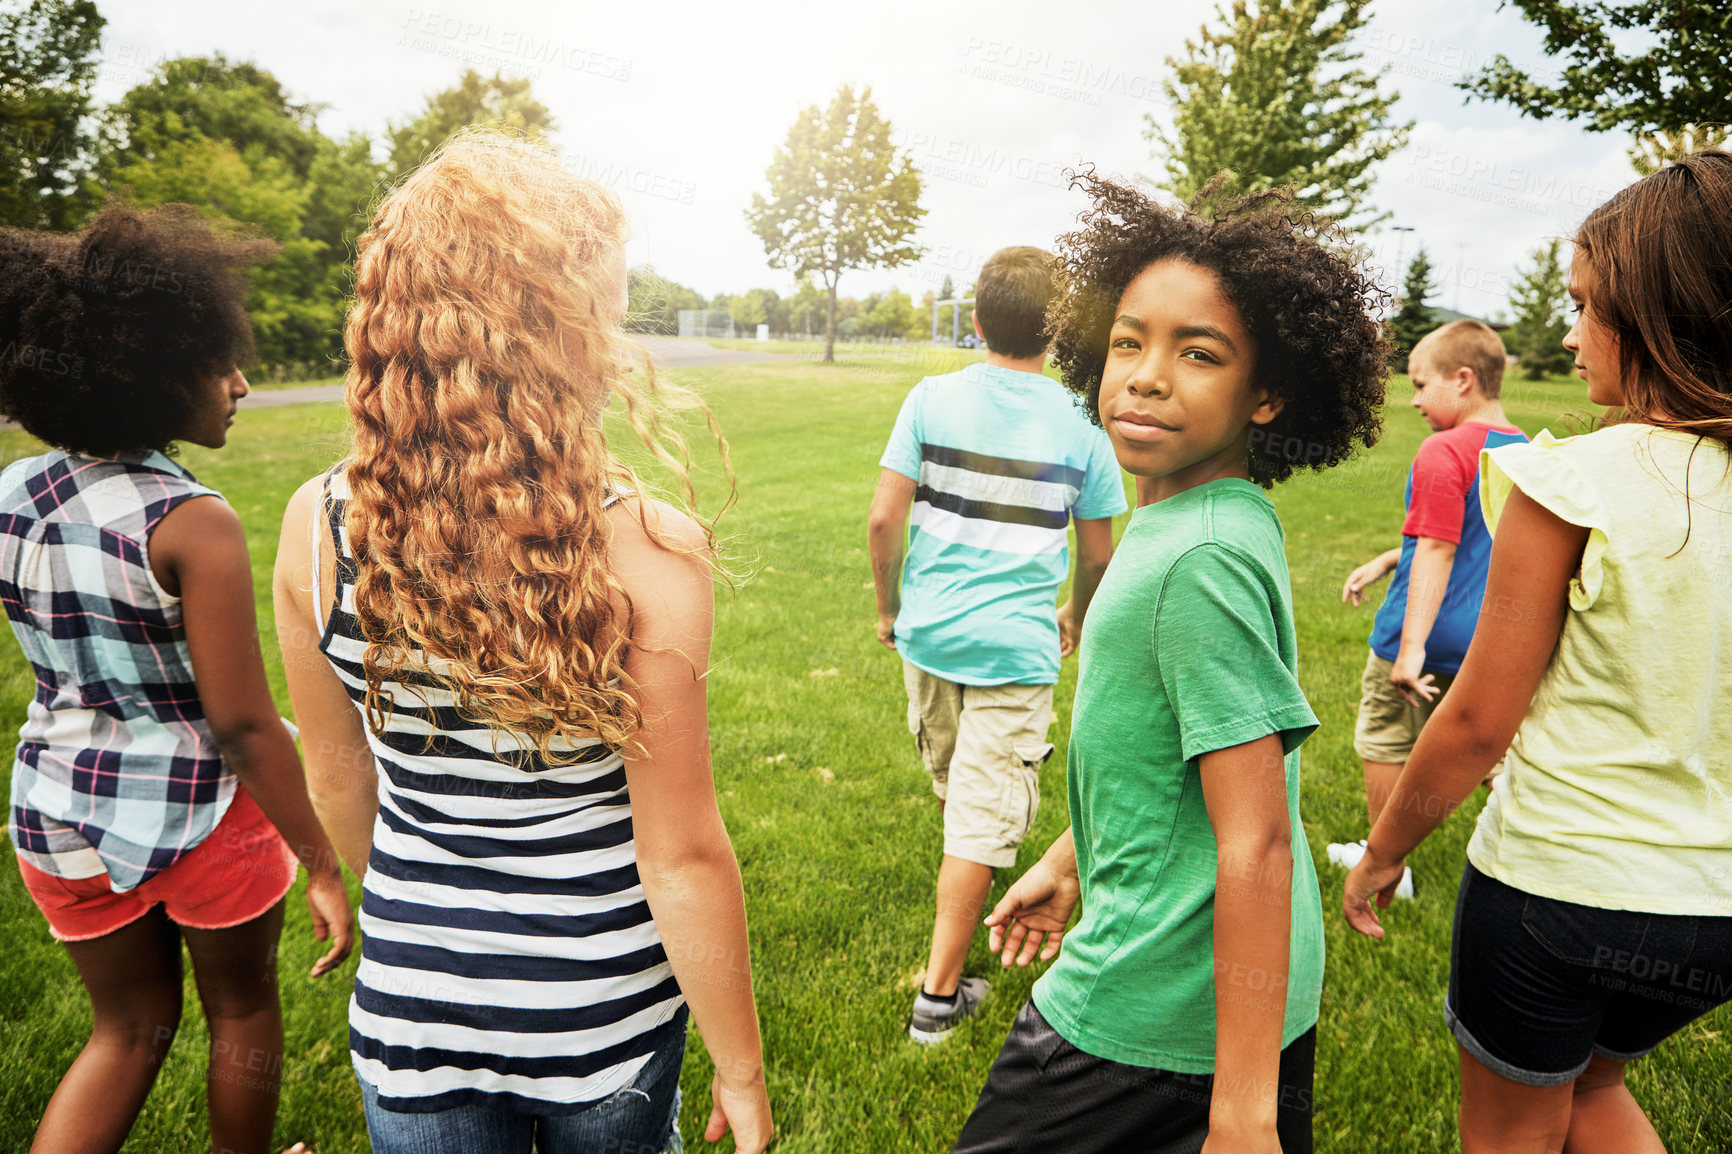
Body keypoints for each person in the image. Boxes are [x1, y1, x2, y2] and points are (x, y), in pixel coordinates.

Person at [271, 131, 771, 1154]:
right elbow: (678, 851)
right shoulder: (643, 548)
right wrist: (741, 1065)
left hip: (414, 1009)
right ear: (565, 326)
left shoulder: (313, 527)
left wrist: (441, 921)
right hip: (605, 1017)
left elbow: (337, 783)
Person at [953, 173, 1387, 1154]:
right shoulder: (1210, 514)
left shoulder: (1195, 560)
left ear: (1268, 394)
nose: (1147, 375)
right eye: (1127, 340)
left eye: (1198, 354)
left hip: (1158, 1005)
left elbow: (1259, 840)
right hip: (1210, 986)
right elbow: (1179, 750)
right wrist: (1071, 857)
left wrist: (1241, 1113)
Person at [1344, 151, 1732, 1154]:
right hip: (1714, 911)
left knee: (1516, 1132)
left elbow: (1475, 720)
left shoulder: (1562, 479)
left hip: (1555, 891)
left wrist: (1384, 849)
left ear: (1652, 313)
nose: (1565, 334)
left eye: (1581, 305)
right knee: (1595, 1091)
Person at [0, 202, 352, 1154]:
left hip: (56, 811)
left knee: (124, 1033)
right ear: (150, 378)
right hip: (204, 816)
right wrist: (321, 858)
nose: (240, 383)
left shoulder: (15, 490)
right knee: (241, 1014)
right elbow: (241, 725)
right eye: (214, 365)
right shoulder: (193, 522)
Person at [867, 245, 1126, 1043]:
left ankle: (942, 974)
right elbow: (1096, 554)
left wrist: (890, 608)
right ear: (1056, 330)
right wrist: (1077, 617)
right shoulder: (1083, 419)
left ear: (976, 320)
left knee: (961, 798)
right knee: (977, 818)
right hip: (1015, 647)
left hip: (931, 635)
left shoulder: (929, 396)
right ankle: (939, 1002)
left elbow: (884, 519)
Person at [1329, 320, 1528, 895]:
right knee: (1490, 750)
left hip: (1423, 636)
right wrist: (1392, 557)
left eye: (1420, 385)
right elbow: (1474, 539)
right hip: (1490, 640)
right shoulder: (1524, 450)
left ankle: (1390, 866)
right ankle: (1529, 860)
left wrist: (1410, 649)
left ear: (1462, 379)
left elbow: (1440, 549)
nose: (1412, 399)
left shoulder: (1443, 449)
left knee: (1388, 740)